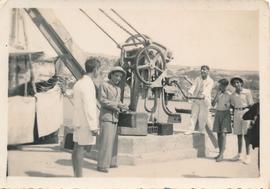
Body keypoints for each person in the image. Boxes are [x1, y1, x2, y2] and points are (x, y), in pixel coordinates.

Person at [71, 58, 101, 177]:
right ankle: (79, 178)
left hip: (78, 120)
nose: (99, 73)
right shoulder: (88, 84)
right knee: (81, 149)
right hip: (85, 123)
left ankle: (76, 175)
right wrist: (94, 126)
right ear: (95, 70)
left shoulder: (79, 82)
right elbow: (89, 107)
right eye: (99, 70)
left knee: (77, 147)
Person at [97, 66, 128, 173]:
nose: (118, 78)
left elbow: (118, 101)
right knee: (105, 142)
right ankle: (102, 165)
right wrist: (117, 106)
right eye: (116, 75)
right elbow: (102, 100)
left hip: (115, 118)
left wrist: (123, 106)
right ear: (111, 75)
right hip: (106, 117)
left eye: (120, 76)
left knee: (113, 142)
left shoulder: (118, 88)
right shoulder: (104, 85)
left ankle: (112, 162)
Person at [230, 76, 254, 164]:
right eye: (234, 83)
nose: (236, 84)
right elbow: (232, 106)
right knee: (238, 135)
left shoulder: (247, 92)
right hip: (237, 113)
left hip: (246, 112)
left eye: (237, 82)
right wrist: (233, 118)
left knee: (246, 135)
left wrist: (252, 118)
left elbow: (251, 105)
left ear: (241, 83)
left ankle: (248, 156)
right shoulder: (232, 95)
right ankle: (239, 154)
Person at [185, 65, 214, 134]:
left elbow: (208, 89)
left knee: (203, 115)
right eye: (201, 69)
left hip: (205, 99)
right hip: (196, 98)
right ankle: (190, 130)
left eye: (204, 69)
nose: (202, 71)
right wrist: (190, 93)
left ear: (208, 71)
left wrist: (203, 95)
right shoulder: (198, 78)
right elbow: (194, 86)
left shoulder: (210, 81)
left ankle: (202, 130)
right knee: (193, 114)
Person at [212, 78, 232, 162]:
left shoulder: (230, 94)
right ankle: (220, 153)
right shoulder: (218, 93)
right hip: (218, 113)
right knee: (219, 134)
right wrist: (217, 94)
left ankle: (222, 155)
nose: (218, 86)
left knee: (223, 134)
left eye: (220, 85)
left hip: (226, 114)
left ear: (224, 86)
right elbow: (213, 104)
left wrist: (229, 105)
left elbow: (232, 105)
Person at [243, 102, 259, 169]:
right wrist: (253, 118)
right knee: (247, 134)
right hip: (258, 126)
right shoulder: (257, 105)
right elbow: (245, 116)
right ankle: (248, 155)